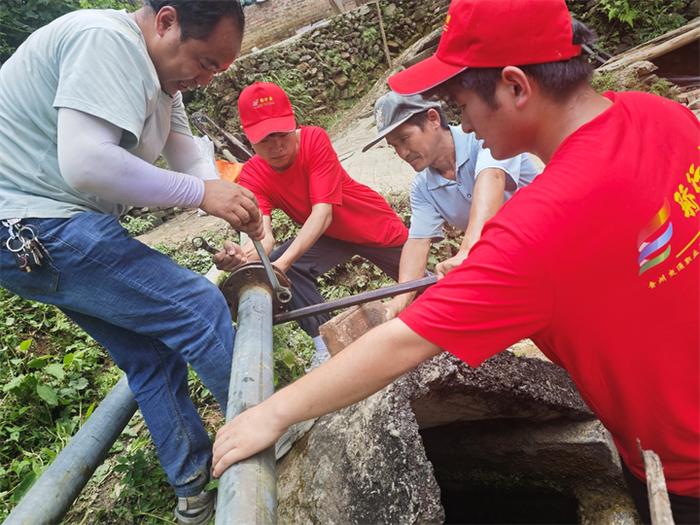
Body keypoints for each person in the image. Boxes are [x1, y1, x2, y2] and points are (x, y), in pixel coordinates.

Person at [211, 1, 700, 522]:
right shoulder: (661, 115)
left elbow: (404, 344)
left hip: (682, 469)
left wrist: (273, 412)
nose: (460, 120)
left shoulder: (537, 230)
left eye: (459, 102)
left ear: (515, 86)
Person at [0, 1, 263, 523]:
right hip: (39, 226)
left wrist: (228, 196)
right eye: (207, 62)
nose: (207, 79)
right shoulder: (107, 40)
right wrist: (199, 194)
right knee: (198, 308)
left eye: (218, 70)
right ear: (166, 22)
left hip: (37, 233)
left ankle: (192, 488)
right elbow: (87, 162)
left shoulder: (164, 81)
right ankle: (273, 434)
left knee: (148, 353)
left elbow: (186, 152)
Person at [213, 81, 408, 368]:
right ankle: (326, 344)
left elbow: (323, 213)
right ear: (249, 139)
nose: (277, 146)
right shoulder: (253, 173)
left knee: (420, 281)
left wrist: (281, 265)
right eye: (266, 139)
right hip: (328, 236)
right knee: (282, 265)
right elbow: (262, 235)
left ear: (293, 123)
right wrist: (245, 256)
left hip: (368, 225)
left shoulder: (314, 140)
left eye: (282, 133)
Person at [364, 92, 539, 317]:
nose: (402, 153)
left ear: (433, 119)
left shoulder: (483, 138)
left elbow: (492, 177)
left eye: (405, 139)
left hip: (550, 239)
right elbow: (418, 242)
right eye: (394, 146)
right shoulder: (422, 187)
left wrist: (467, 251)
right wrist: (400, 301)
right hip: (511, 262)